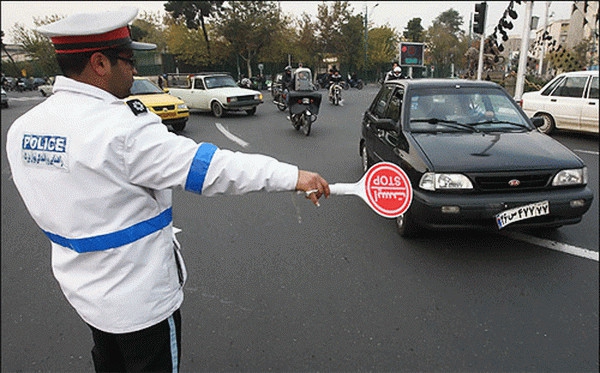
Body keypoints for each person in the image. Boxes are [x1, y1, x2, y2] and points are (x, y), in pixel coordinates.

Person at [6, 7, 329, 373]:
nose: (135, 71)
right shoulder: (122, 130)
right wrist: (293, 175)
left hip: (84, 294)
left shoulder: (23, 129)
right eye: (128, 61)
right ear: (99, 63)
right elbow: (211, 169)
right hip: (140, 302)